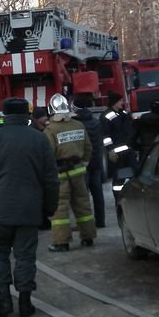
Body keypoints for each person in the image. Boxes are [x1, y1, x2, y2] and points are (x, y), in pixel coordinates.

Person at [0, 97, 59, 317]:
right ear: (27, 114)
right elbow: (50, 178)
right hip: (29, 209)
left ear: (5, 114)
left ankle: (3, 300)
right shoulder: (39, 139)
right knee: (25, 255)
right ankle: (25, 301)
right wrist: (50, 207)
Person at [44, 93, 96, 252]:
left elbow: (48, 154)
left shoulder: (50, 130)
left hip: (60, 174)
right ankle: (88, 237)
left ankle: (61, 242)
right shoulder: (78, 125)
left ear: (51, 111)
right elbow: (88, 147)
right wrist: (85, 162)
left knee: (60, 208)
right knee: (83, 205)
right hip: (78, 171)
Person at [71, 93, 105, 229]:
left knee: (81, 196)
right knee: (98, 193)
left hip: (81, 164)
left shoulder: (77, 124)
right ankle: (100, 221)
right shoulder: (96, 122)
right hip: (96, 163)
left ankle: (84, 224)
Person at [101, 91, 134, 199]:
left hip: (128, 151)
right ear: (114, 102)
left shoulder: (122, 113)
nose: (122, 102)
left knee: (135, 174)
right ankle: (118, 199)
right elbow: (105, 136)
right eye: (120, 101)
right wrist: (110, 150)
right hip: (117, 154)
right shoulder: (107, 116)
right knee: (119, 179)